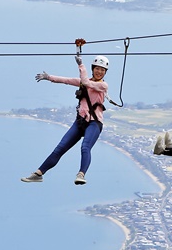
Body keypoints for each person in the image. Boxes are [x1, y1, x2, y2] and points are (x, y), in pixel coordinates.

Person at [21, 54, 110, 185]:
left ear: (105, 73)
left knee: (85, 147)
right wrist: (49, 77)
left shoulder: (103, 86)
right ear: (93, 69)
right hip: (80, 122)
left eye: (102, 70)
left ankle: (81, 174)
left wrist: (81, 65)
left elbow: (86, 82)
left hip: (94, 123)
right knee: (60, 148)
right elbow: (66, 80)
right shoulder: (83, 82)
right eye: (97, 68)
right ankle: (38, 174)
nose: (99, 72)